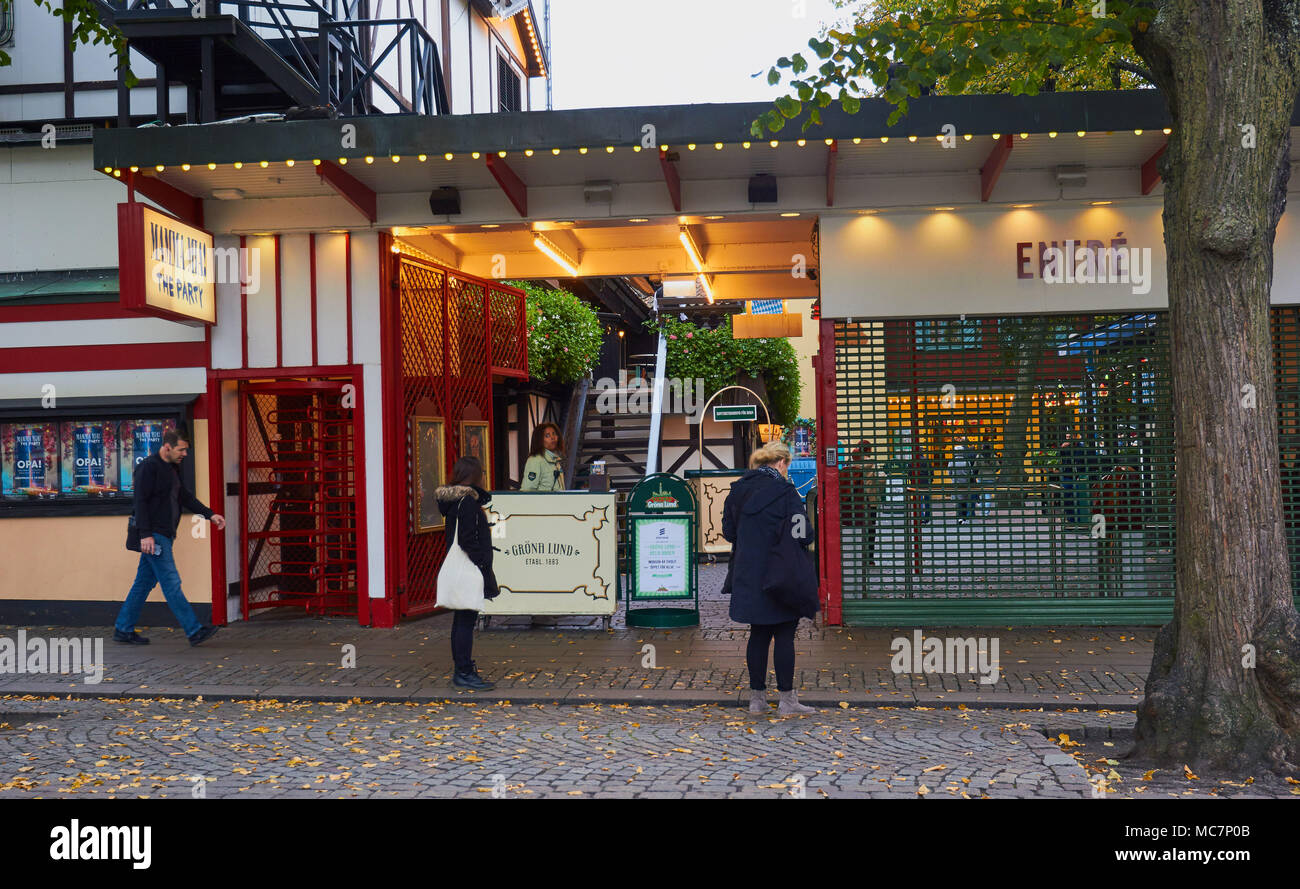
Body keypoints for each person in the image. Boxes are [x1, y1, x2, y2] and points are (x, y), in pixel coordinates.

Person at [723, 441, 819, 716]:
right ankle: (787, 701)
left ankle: (757, 700)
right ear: (780, 463)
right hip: (781, 574)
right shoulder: (786, 492)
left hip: (749, 573)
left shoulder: (738, 490)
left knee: (759, 634)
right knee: (784, 635)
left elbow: (729, 532)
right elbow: (803, 533)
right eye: (787, 466)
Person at [114, 429, 224, 646]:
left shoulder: (172, 468)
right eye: (181, 449)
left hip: (163, 534)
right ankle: (194, 631)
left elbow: (184, 497)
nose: (184, 453)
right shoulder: (148, 467)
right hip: (155, 535)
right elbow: (140, 503)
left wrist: (210, 515)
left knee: (142, 584)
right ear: (167, 447)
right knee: (171, 582)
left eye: (186, 449)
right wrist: (146, 535)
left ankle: (122, 628)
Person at [436, 456, 499, 690]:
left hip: (460, 568)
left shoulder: (455, 502)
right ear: (475, 475)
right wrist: (482, 562)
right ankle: (463, 671)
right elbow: (466, 539)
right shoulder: (468, 503)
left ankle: (462, 669)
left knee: (460, 621)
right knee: (465, 622)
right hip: (469, 568)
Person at [520, 422, 566, 491]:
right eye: (547, 436)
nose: (553, 437)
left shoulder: (555, 461)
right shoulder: (535, 460)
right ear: (539, 440)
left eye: (554, 434)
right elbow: (528, 490)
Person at [949, 435, 978, 523]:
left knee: (958, 502)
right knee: (965, 500)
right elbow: (970, 473)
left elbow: (949, 473)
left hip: (956, 484)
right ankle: (964, 517)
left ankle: (960, 517)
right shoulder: (966, 462)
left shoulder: (952, 462)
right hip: (965, 484)